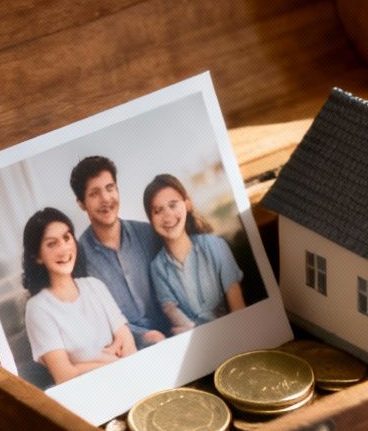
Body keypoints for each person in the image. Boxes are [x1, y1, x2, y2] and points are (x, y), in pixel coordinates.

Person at [19, 208, 137, 384]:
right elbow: (64, 376)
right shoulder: (37, 308)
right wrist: (112, 362)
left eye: (67, 238)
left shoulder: (94, 285)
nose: (64, 248)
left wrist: (84, 364)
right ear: (37, 257)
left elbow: (127, 341)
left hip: (129, 378)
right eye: (52, 244)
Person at [67, 155, 169, 346]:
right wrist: (143, 336)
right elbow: (96, 320)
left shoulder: (149, 233)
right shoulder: (77, 259)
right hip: (127, 348)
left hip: (173, 332)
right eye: (95, 193)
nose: (106, 198)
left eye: (110, 188)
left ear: (117, 189)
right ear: (81, 203)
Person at [144, 174, 245, 332]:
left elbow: (239, 308)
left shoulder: (215, 245)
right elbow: (170, 309)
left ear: (187, 205)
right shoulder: (157, 267)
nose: (167, 215)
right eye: (158, 211)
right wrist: (192, 329)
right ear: (151, 220)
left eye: (173, 205)